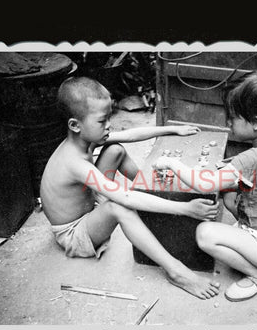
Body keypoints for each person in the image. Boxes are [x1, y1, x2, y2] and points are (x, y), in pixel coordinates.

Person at [40, 76, 220, 300]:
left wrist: (172, 130)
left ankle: (151, 191)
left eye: (109, 118)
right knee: (120, 207)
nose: (109, 125)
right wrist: (184, 208)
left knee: (115, 149)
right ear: (75, 125)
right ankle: (176, 271)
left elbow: (130, 135)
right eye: (102, 121)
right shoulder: (73, 161)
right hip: (74, 233)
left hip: (88, 205)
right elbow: (124, 198)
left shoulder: (84, 138)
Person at [153, 70, 257, 302]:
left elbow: (204, 184)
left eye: (232, 117)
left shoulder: (251, 159)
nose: (227, 122)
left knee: (204, 234)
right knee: (229, 196)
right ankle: (256, 248)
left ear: (255, 123)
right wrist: (233, 170)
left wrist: (171, 162)